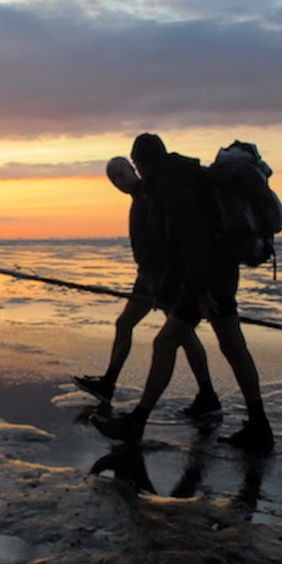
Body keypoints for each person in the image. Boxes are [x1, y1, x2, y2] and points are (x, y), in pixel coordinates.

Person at [93, 133, 275, 453]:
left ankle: (137, 421)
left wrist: (199, 290)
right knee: (232, 346)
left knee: (165, 342)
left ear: (139, 164)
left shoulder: (170, 186)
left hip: (206, 278)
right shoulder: (184, 175)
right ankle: (258, 424)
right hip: (220, 272)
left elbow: (190, 240)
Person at [73, 157, 221, 421]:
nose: (119, 181)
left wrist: (167, 283)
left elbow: (169, 242)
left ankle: (208, 395)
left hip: (165, 279)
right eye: (114, 179)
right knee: (125, 324)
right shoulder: (139, 198)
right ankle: (108, 383)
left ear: (134, 169)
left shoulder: (152, 196)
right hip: (147, 278)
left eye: (121, 174)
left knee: (181, 336)